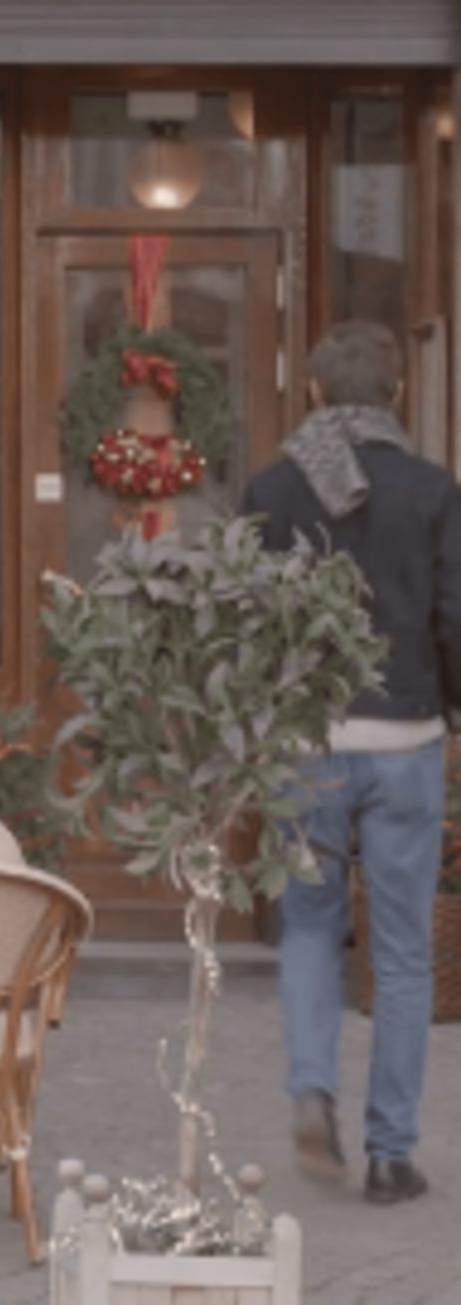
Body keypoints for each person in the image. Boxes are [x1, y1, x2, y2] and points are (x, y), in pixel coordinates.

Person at [242, 320, 461, 1206]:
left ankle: (310, 1091)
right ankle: (390, 1155)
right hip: (406, 741)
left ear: (315, 392)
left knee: (306, 927)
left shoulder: (273, 488)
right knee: (402, 952)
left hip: (305, 744)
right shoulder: (434, 490)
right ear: (398, 395)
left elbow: (247, 617)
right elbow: (453, 615)